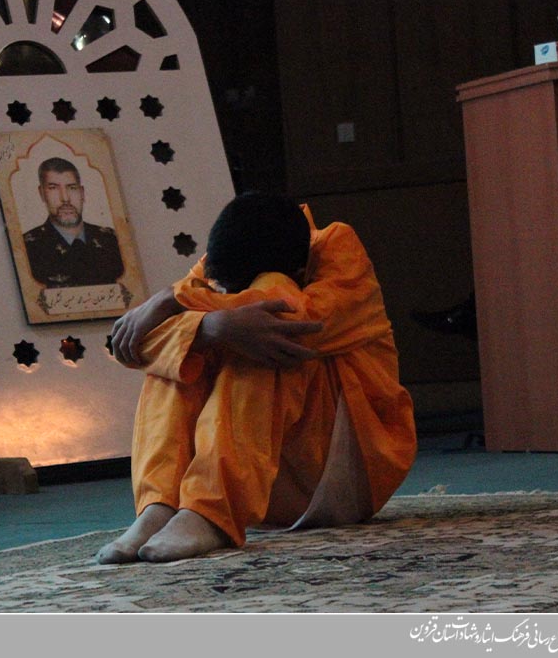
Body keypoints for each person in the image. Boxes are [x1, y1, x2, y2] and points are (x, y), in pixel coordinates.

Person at [97, 192, 416, 564]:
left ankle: (211, 513)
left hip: (344, 471)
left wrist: (175, 302)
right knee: (185, 350)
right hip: (262, 486)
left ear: (302, 271)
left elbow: (298, 322)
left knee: (266, 337)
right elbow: (136, 344)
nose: (220, 294)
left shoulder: (336, 245)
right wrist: (209, 327)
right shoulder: (221, 261)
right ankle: (160, 506)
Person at [23, 157, 124, 288]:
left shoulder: (112, 241)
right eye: (53, 188)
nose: (65, 198)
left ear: (82, 193)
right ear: (42, 193)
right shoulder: (27, 249)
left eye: (72, 188)